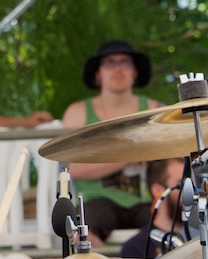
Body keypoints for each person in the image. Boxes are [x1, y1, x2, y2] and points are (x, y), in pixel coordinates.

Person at [60, 39, 164, 247]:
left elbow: (172, 160)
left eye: (125, 62)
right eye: (109, 63)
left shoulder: (154, 109)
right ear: (98, 74)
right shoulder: (78, 112)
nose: (118, 69)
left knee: (168, 227)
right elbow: (72, 168)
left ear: (135, 72)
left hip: (147, 199)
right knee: (82, 234)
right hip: (97, 200)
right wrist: (126, 158)